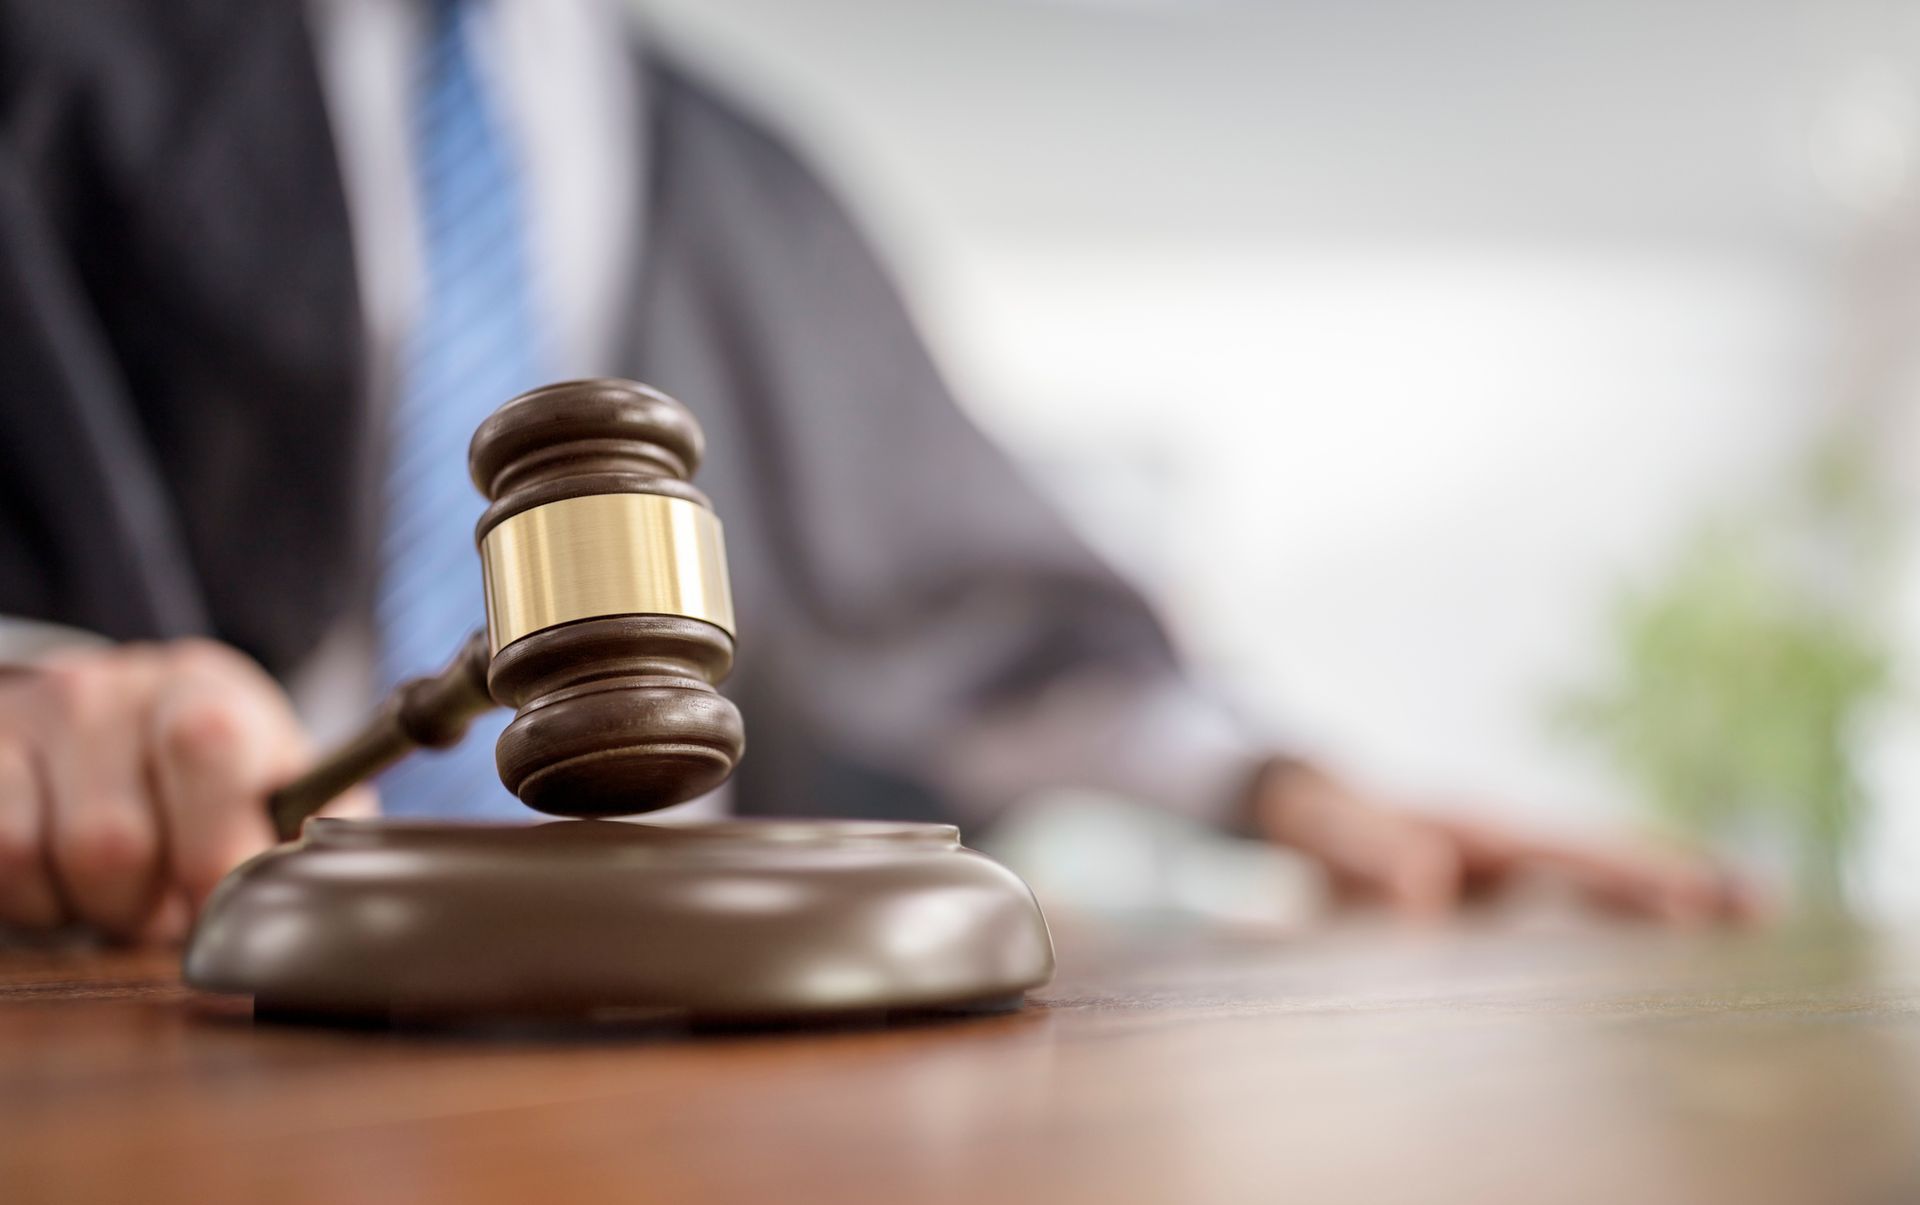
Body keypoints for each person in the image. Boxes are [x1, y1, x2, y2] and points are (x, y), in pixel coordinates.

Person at [0, 0, 1751, 942]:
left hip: (679, 1092)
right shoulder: (51, 51)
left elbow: (948, 577)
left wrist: (1290, 787)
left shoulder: (741, 165)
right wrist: (34, 693)